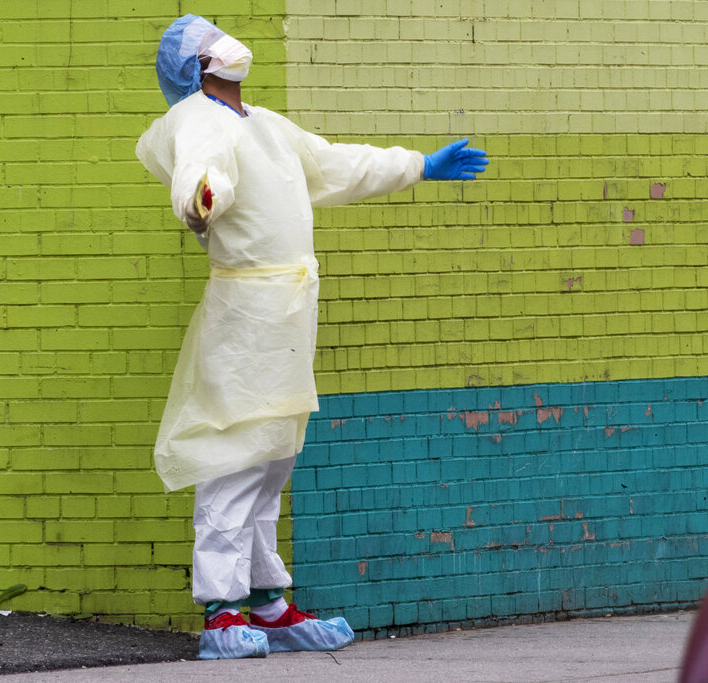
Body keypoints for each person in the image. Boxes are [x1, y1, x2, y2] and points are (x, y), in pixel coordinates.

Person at [135, 14, 488, 660]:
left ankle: (266, 600)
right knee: (233, 457)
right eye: (206, 41)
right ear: (196, 68)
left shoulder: (264, 125)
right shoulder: (198, 119)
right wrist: (200, 198)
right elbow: (200, 173)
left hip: (287, 314)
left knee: (272, 459)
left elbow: (334, 164)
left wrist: (416, 165)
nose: (223, 41)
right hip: (245, 315)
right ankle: (219, 609)